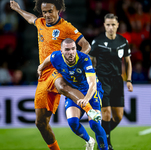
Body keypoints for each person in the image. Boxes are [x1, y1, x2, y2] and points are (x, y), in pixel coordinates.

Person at [10, 0, 100, 150]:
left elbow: (86, 45)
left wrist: (75, 63)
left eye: (50, 11)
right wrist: (18, 9)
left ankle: (89, 109)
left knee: (61, 84)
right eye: (44, 12)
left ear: (58, 9)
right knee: (40, 123)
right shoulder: (41, 22)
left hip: (58, 70)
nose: (47, 15)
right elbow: (31, 18)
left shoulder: (66, 27)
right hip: (43, 76)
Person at [37, 38, 108, 150]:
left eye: (73, 49)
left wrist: (86, 99)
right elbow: (49, 58)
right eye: (67, 49)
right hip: (74, 91)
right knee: (73, 123)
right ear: (61, 51)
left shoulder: (84, 59)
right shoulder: (57, 57)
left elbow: (92, 84)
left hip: (91, 91)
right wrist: (41, 67)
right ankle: (89, 141)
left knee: (95, 124)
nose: (71, 52)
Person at [89, 13, 133, 150]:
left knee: (118, 117)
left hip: (117, 81)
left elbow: (128, 62)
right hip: (102, 80)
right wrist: (91, 78)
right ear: (104, 25)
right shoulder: (97, 42)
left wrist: (129, 80)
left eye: (113, 24)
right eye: (108, 25)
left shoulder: (123, 41)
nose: (110, 27)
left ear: (117, 25)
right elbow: (90, 60)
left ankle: (102, 135)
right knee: (106, 112)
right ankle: (106, 145)